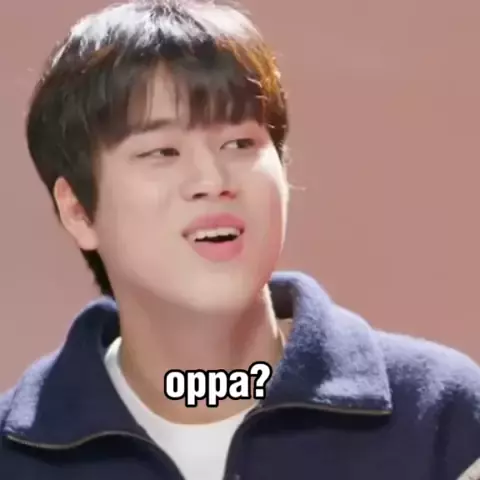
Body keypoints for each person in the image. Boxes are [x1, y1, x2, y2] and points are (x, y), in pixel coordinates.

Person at [1, 1, 480, 479]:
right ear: (78, 210)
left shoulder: (441, 419)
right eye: (163, 151)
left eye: (240, 143)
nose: (213, 180)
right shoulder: (17, 455)